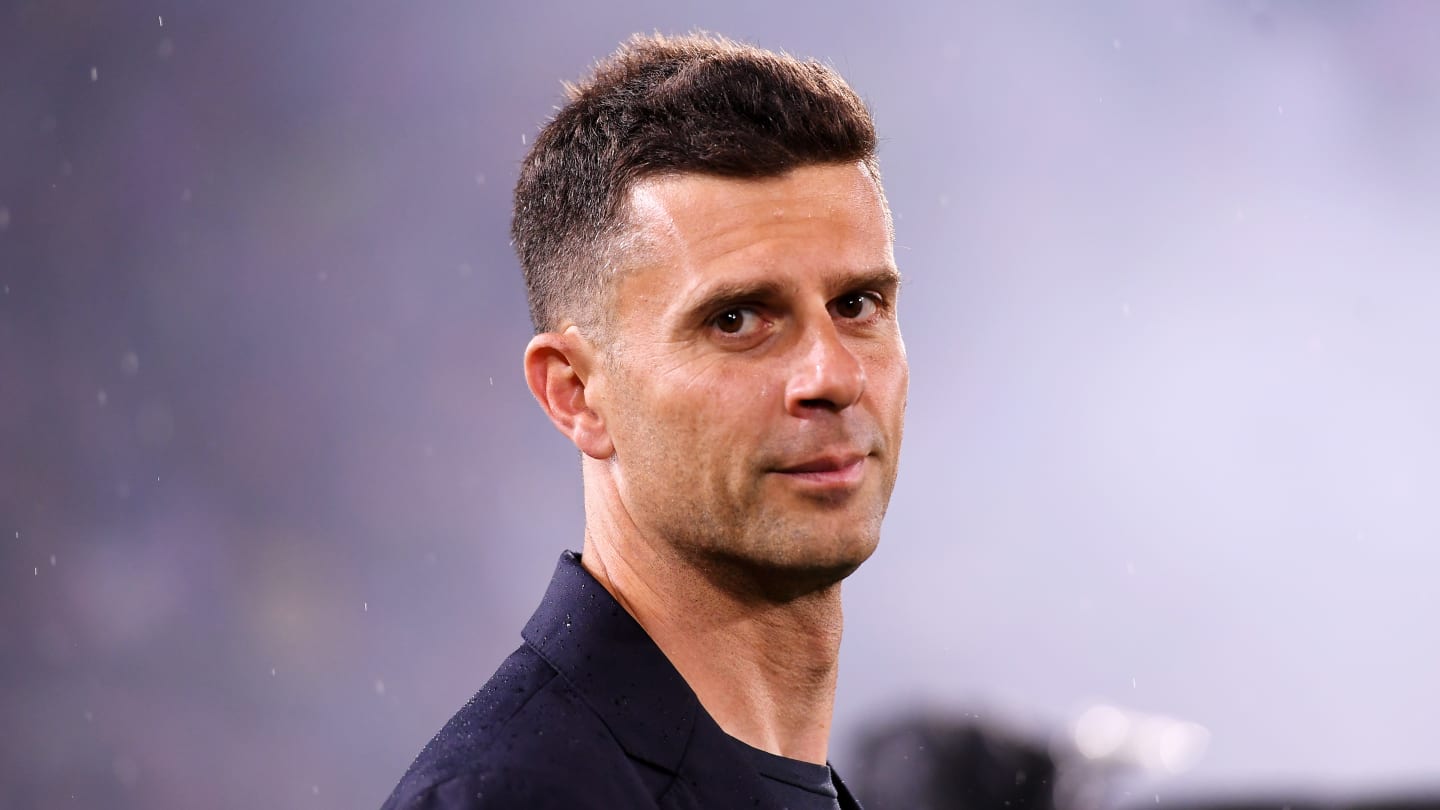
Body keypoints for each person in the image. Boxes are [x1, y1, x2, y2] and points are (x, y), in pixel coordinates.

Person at [382, 32, 908, 810]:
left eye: (857, 304)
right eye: (736, 319)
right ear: (576, 393)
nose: (833, 376)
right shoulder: (512, 798)